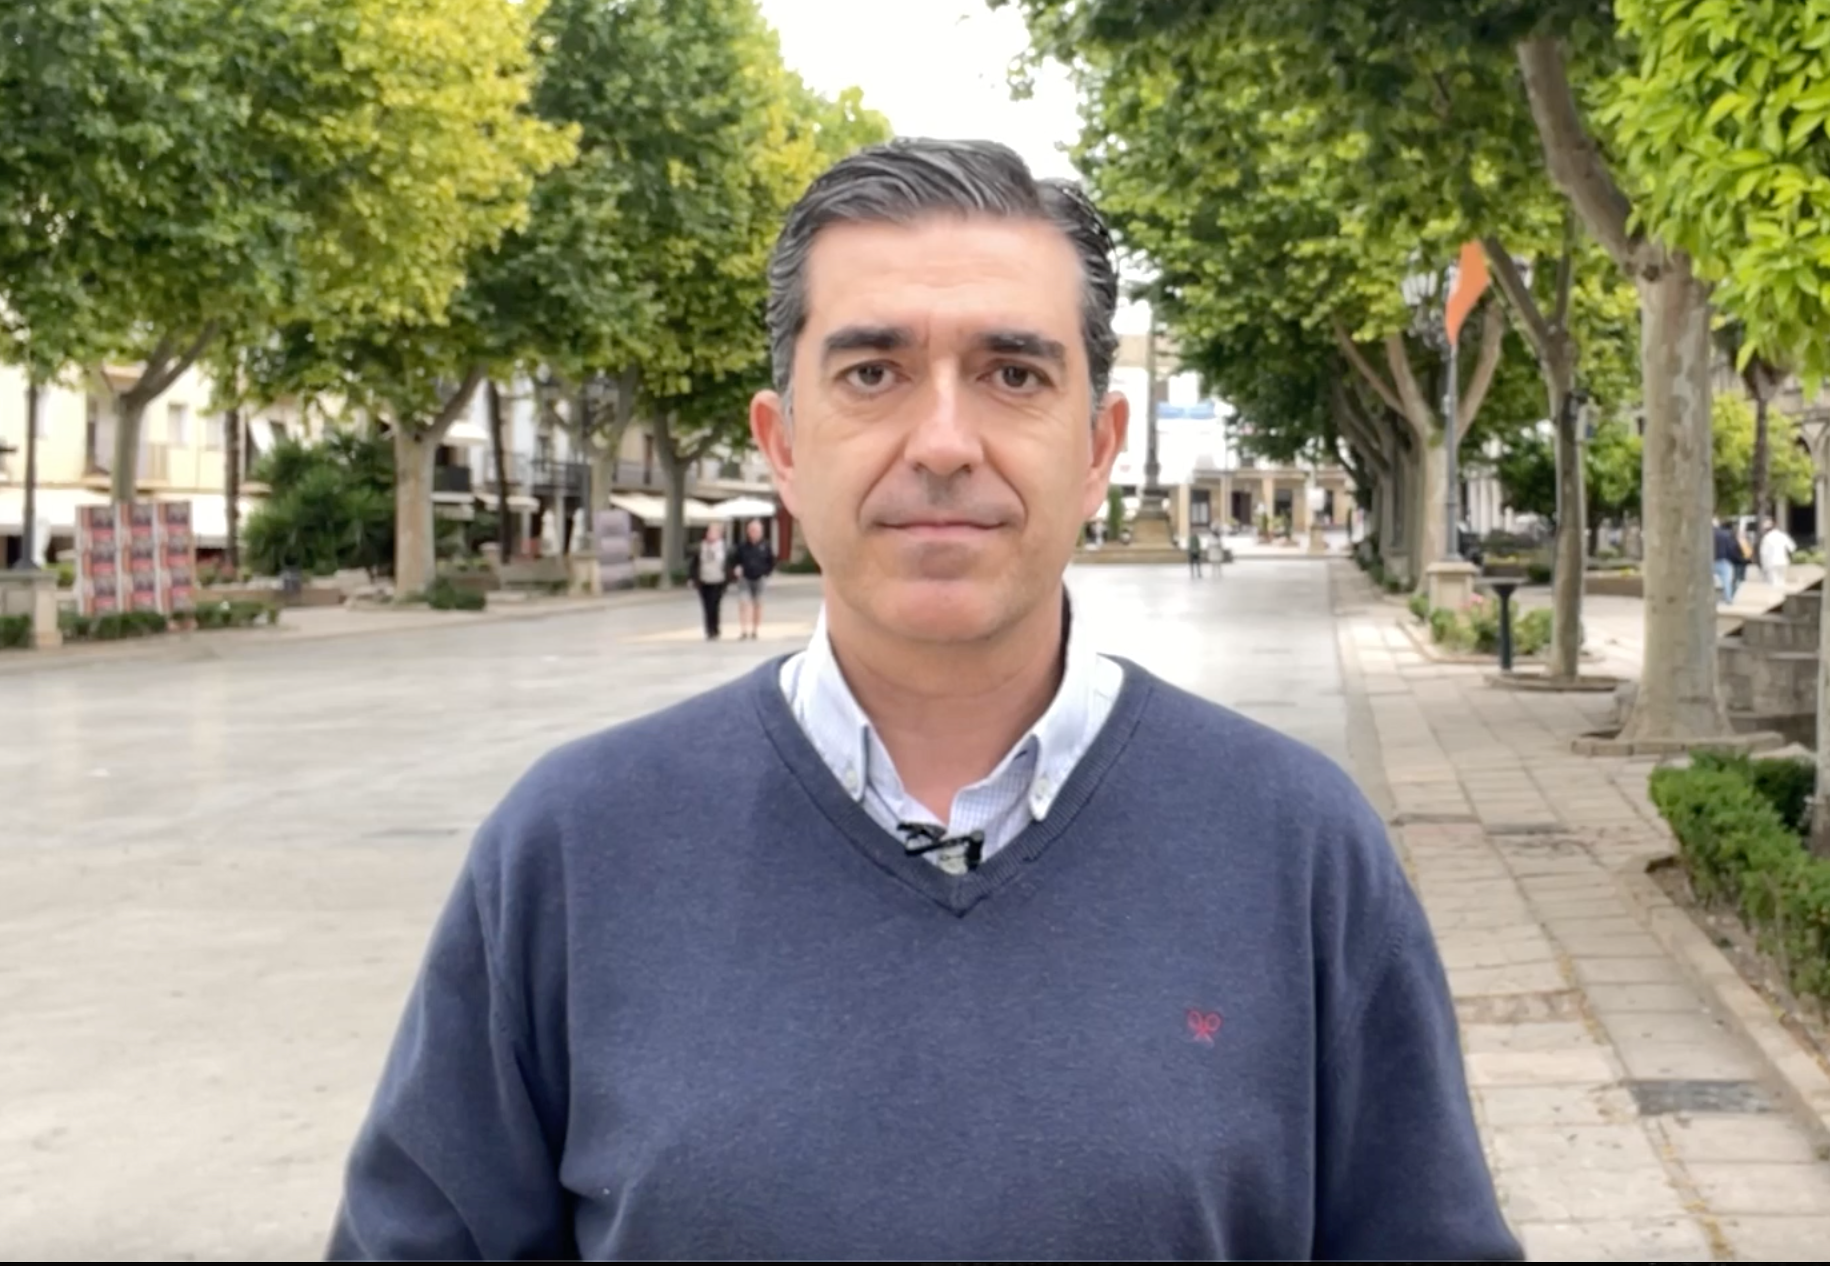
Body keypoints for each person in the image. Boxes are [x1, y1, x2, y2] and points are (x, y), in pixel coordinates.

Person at [326, 138, 1520, 1262]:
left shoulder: (1297, 847)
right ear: (783, 443)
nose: (943, 442)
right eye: (872, 373)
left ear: (1098, 447)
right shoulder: (575, 846)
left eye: (1012, 374)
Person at [731, 518, 776, 639]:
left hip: (760, 578)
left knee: (758, 604)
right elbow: (734, 560)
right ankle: (744, 629)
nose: (754, 532)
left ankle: (755, 629)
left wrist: (766, 573)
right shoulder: (742, 546)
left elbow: (771, 561)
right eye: (751, 530)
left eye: (756, 530)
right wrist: (736, 568)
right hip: (745, 578)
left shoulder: (765, 546)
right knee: (743, 603)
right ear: (748, 531)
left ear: (761, 532)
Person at [692, 522, 734, 640]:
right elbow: (695, 563)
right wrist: (692, 578)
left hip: (718, 579)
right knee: (706, 606)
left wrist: (730, 578)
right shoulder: (701, 547)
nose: (711, 534)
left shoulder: (724, 547)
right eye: (709, 532)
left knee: (715, 604)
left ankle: (715, 628)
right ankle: (708, 629)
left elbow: (729, 563)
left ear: (719, 534)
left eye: (714, 532)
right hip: (704, 579)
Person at [1759, 515, 1796, 589]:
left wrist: (1764, 566)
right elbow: (1792, 548)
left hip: (1771, 562)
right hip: (1783, 561)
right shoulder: (1783, 536)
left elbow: (1763, 553)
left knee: (1774, 583)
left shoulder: (1767, 538)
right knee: (1782, 582)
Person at [1713, 517, 1740, 604]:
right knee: (1727, 581)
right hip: (1723, 560)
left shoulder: (1705, 534)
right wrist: (1733, 559)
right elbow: (1730, 548)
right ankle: (1728, 599)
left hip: (1710, 560)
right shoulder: (1725, 535)